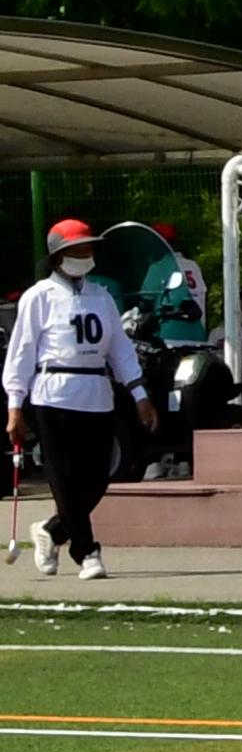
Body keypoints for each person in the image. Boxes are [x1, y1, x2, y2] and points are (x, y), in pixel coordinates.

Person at [8, 218, 155, 581]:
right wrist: (15, 403)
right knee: (64, 477)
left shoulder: (100, 296)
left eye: (88, 248)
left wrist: (139, 393)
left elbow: (120, 349)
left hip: (97, 394)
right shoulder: (39, 297)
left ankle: (52, 530)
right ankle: (87, 551)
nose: (85, 254)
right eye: (76, 249)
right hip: (53, 395)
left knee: (96, 478)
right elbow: (22, 351)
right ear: (58, 256)